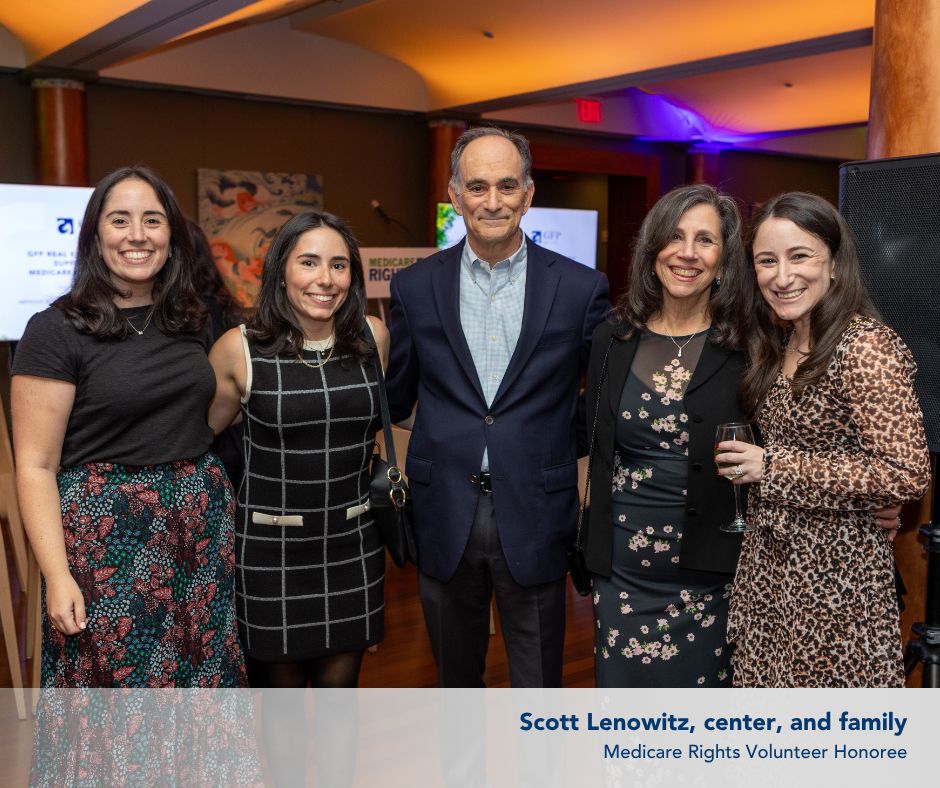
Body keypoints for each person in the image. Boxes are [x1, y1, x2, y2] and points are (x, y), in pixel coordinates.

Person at [385, 126, 609, 687]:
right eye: (477, 186)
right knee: (455, 687)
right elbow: (396, 394)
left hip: (536, 510)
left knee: (537, 686)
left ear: (529, 195)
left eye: (507, 186)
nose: (492, 202)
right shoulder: (415, 288)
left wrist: (557, 448)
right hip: (443, 514)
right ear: (456, 195)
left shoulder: (581, 288)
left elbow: (602, 398)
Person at [11, 165, 246, 689]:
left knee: (203, 684)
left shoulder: (192, 317)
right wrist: (56, 576)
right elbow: (35, 465)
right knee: (122, 700)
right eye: (120, 220)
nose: (137, 235)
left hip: (198, 537)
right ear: (95, 234)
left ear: (172, 236)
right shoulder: (54, 330)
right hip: (108, 543)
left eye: (152, 220)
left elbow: (203, 417)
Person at [719, 192, 930, 687]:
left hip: (837, 584)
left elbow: (907, 472)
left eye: (800, 256)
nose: (782, 276)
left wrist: (773, 466)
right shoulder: (780, 340)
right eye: (766, 261)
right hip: (770, 572)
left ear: (834, 263)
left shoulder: (864, 347)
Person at [208, 210, 389, 687]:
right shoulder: (239, 348)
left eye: (339, 265)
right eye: (308, 262)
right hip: (269, 553)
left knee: (340, 704)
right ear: (282, 271)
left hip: (352, 544)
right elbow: (199, 437)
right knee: (280, 715)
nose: (325, 279)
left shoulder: (373, 337)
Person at [581, 184, 749, 687]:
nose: (687, 253)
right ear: (653, 248)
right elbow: (594, 448)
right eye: (675, 236)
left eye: (705, 240)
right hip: (622, 572)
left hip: (713, 573)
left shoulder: (750, 347)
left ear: (723, 262)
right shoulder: (611, 339)